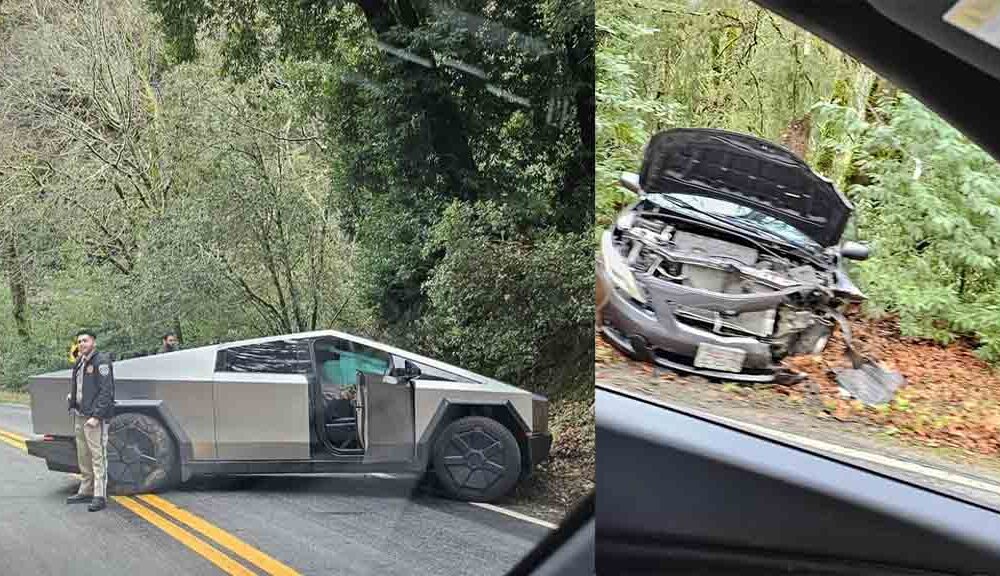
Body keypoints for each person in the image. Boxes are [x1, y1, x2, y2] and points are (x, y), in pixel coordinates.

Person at [65, 329, 114, 512]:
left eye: (85, 340)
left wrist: (97, 416)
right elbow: (81, 386)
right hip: (80, 414)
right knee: (83, 455)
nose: (81, 344)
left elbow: (106, 392)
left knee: (97, 456)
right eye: (79, 341)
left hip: (94, 418)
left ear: (93, 342)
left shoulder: (101, 361)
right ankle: (86, 490)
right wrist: (73, 400)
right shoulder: (80, 362)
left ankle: (99, 495)